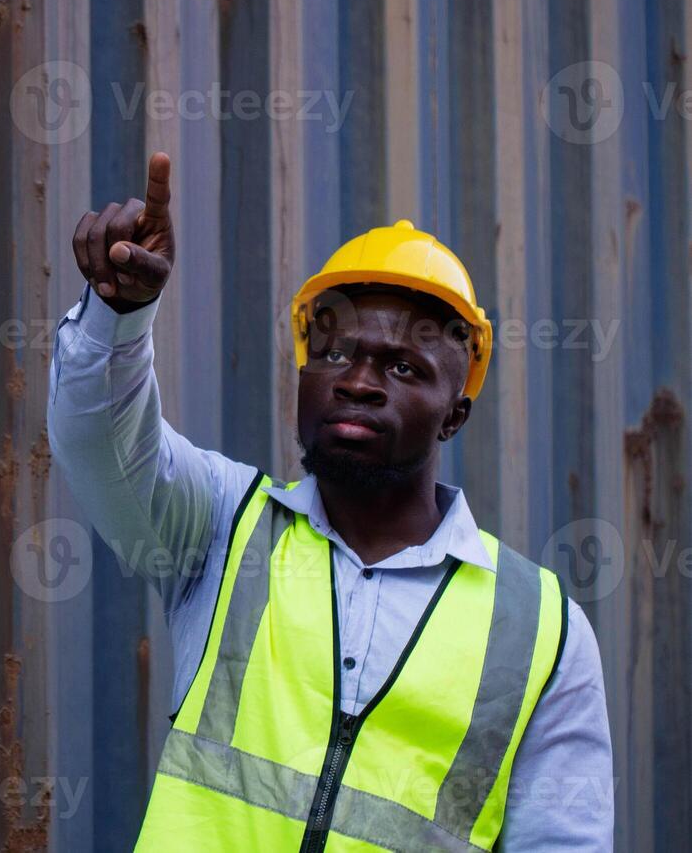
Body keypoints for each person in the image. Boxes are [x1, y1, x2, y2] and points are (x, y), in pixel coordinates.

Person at [48, 154, 614, 851]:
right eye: (334, 353)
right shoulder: (224, 527)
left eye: (403, 367)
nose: (357, 382)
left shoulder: (542, 629)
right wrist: (118, 314)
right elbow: (98, 439)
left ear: (453, 415)